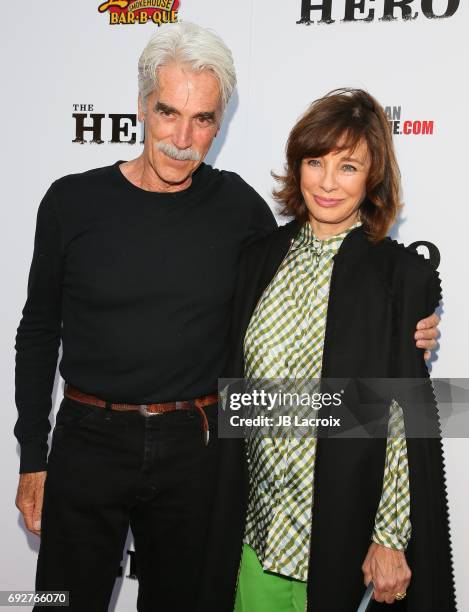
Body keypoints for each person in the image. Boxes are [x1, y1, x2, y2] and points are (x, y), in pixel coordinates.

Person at [13, 23, 439, 612]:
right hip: (88, 443)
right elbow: (37, 335)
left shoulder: (239, 210)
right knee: (58, 601)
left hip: (198, 449)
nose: (183, 138)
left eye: (204, 119)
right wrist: (33, 458)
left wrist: (407, 330)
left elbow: (325, 293)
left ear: (221, 121)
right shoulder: (69, 202)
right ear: (141, 106)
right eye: (168, 112)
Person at [209, 89, 454, 612]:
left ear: (372, 178)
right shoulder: (257, 260)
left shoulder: (399, 277)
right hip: (255, 533)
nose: (326, 181)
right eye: (314, 161)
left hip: (340, 540)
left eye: (348, 166)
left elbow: (397, 415)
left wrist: (390, 534)